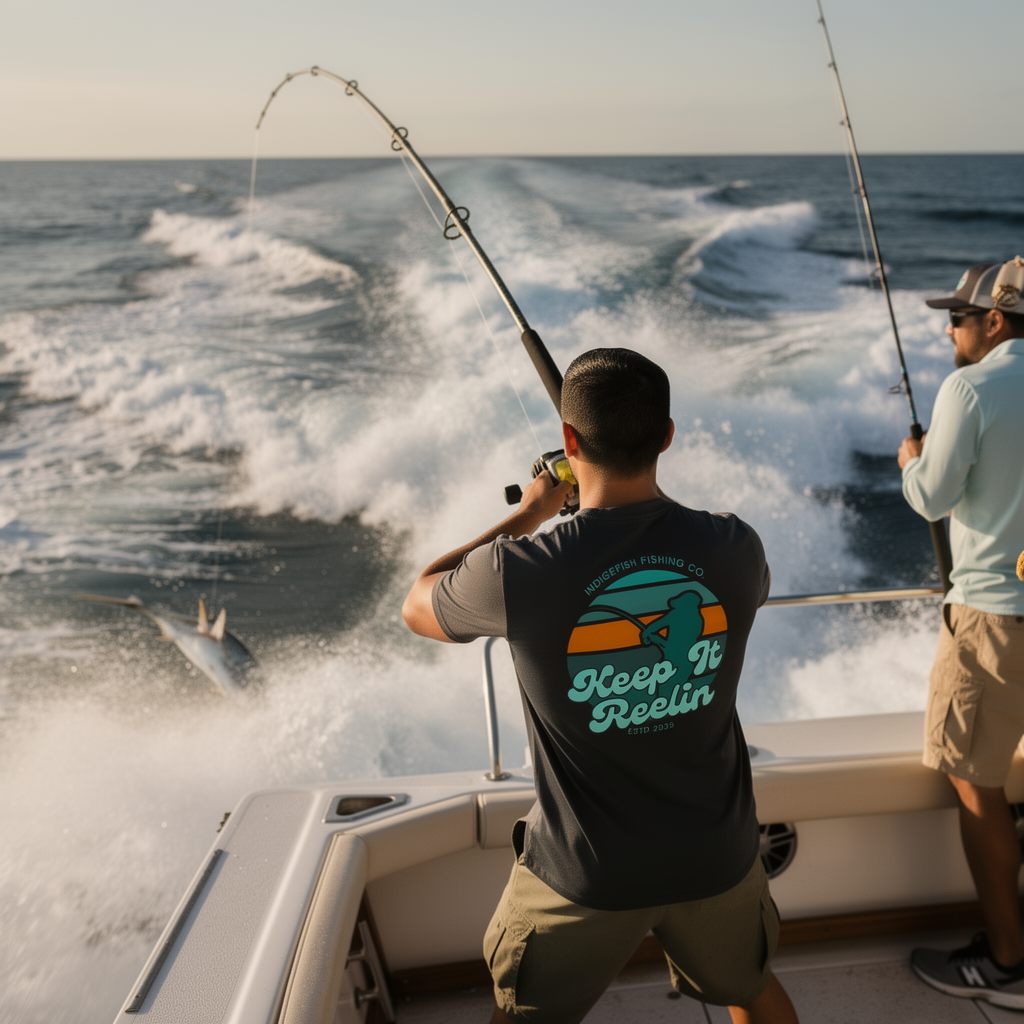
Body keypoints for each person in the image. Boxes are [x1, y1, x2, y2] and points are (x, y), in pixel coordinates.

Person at [403, 348, 798, 1024]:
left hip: (583, 875)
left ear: (568, 442)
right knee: (751, 988)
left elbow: (418, 601)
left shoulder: (516, 570)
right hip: (717, 854)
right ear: (667, 436)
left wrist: (531, 511)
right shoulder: (736, 547)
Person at [897, 258, 1024, 1008]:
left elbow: (934, 496)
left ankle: (1008, 965)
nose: (950, 329)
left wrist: (912, 463)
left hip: (992, 621)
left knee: (977, 785)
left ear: (997, 321)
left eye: (959, 317)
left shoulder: (970, 387)